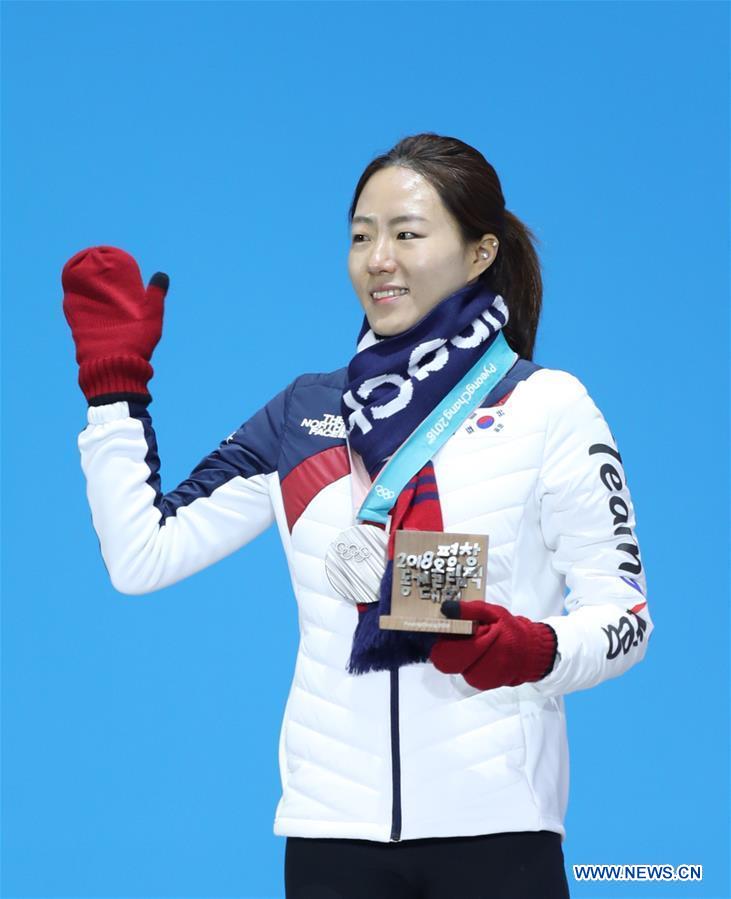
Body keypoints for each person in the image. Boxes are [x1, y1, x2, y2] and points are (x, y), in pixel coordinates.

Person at [61, 132, 653, 899]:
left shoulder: (544, 406)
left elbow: (625, 617)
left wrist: (531, 648)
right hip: (330, 835)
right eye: (360, 236)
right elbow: (142, 555)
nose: (379, 259)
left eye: (407, 234)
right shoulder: (303, 414)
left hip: (498, 830)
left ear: (479, 252)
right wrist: (114, 396)